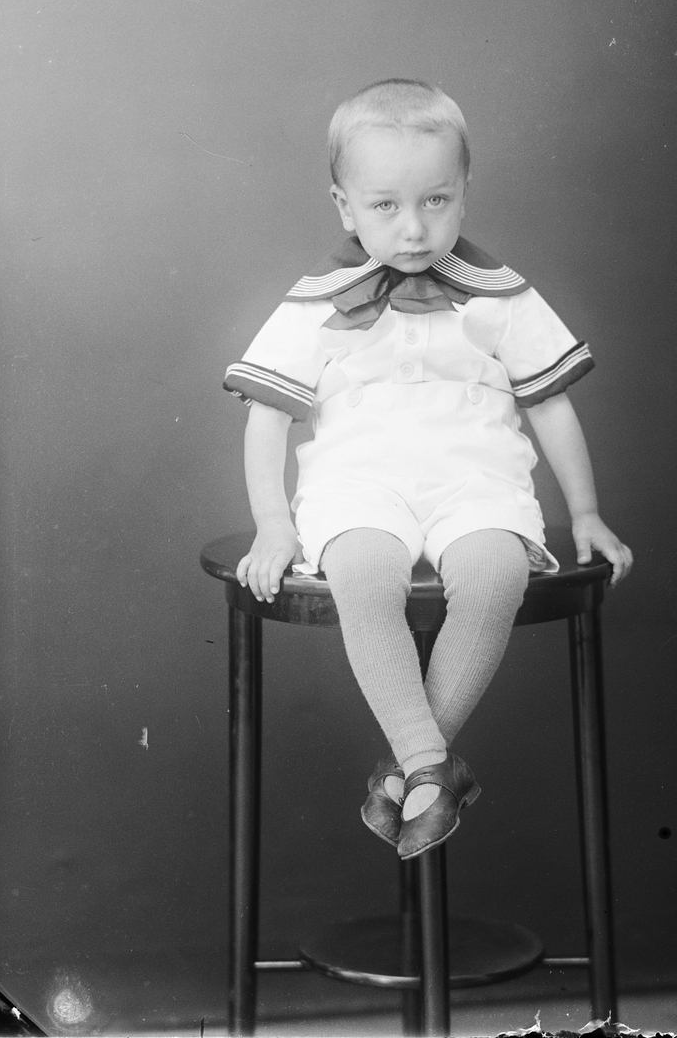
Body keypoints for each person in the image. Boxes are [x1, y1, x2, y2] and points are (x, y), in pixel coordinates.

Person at [224, 79, 632, 861]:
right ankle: (428, 765)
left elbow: (549, 406)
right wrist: (274, 523)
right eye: (385, 206)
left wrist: (584, 512)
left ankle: (410, 772)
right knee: (363, 574)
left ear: (464, 194)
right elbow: (266, 417)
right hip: (358, 484)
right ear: (345, 207)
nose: (413, 228)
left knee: (492, 574)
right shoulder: (314, 304)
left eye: (436, 201)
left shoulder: (501, 296)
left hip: (476, 482)